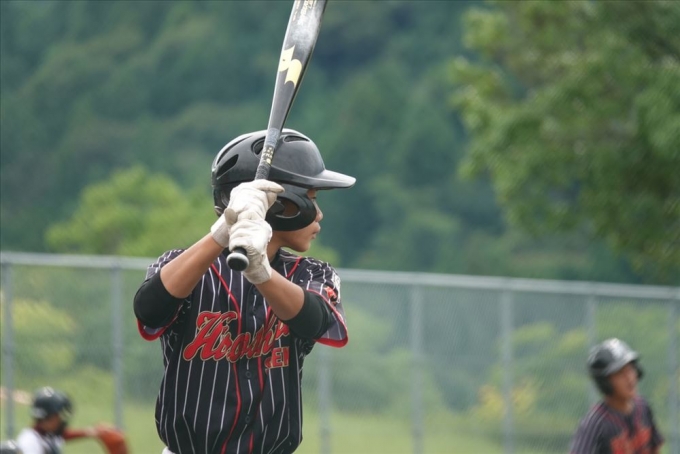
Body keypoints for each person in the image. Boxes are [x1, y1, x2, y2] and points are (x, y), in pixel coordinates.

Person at [133, 129, 355, 454]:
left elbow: (314, 320)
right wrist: (223, 231)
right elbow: (149, 309)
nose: (319, 214)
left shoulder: (310, 272)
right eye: (311, 198)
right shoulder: (184, 266)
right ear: (280, 205)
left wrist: (261, 272)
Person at [569, 338, 664, 454]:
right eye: (620, 373)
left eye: (630, 369)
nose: (629, 378)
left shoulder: (643, 407)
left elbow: (655, 448)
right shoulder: (595, 424)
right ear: (605, 382)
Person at [15, 386, 114, 454]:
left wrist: (92, 432)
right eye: (58, 416)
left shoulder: (48, 434)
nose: (61, 419)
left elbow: (64, 435)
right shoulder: (29, 442)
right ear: (48, 418)